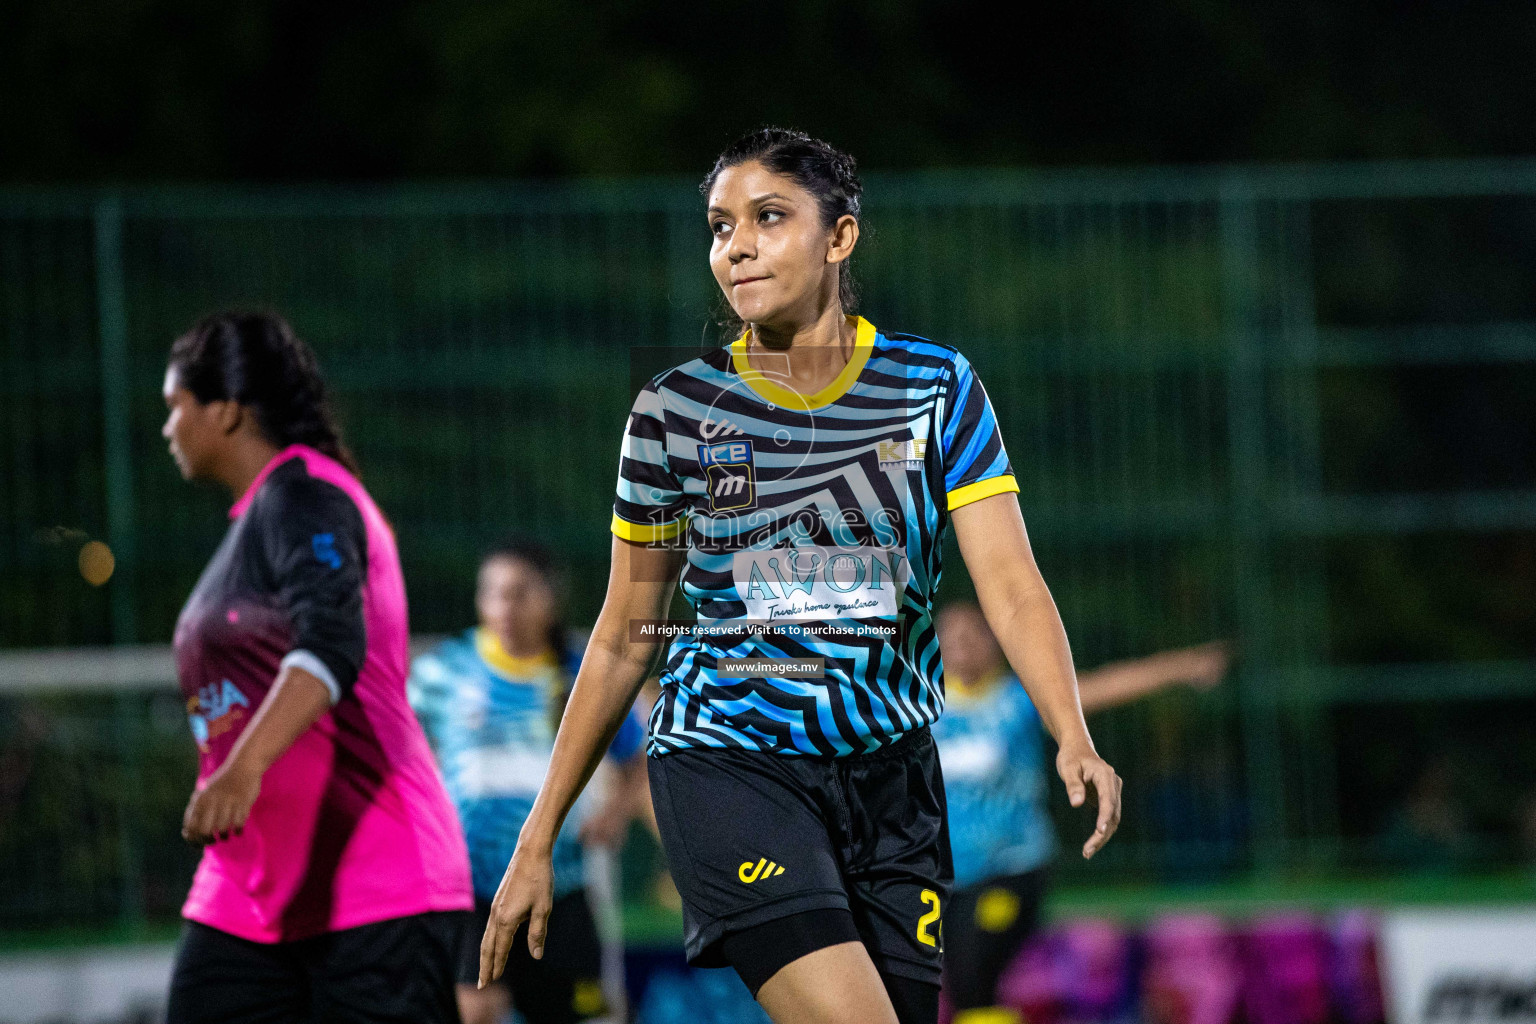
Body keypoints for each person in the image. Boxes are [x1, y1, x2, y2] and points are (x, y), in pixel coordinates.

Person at [478, 127, 1123, 1024]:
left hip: (893, 783)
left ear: (840, 236)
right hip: (729, 764)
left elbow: (1011, 581)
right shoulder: (674, 411)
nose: (735, 245)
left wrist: (1071, 731)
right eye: (719, 226)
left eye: (768, 217)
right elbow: (628, 629)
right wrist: (536, 837)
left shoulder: (934, 387)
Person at [160, 311, 472, 1023]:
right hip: (245, 892)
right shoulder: (257, 518)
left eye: (176, 408)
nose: (168, 428)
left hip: (372, 878)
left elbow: (332, 641)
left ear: (228, 411)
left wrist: (242, 765)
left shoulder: (307, 494)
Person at [932, 600, 1229, 1022]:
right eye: (949, 634)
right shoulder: (920, 709)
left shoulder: (1019, 700)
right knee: (965, 990)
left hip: (1012, 868)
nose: (959, 643)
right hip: (948, 876)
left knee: (977, 970)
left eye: (971, 633)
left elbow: (1103, 686)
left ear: (995, 642)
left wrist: (1180, 667)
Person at [409, 540, 650, 1024]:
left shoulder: (581, 675)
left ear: (550, 599)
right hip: (469, 884)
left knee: (574, 1013)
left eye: (518, 593)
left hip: (560, 885)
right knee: (475, 1009)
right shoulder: (443, 671)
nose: (504, 607)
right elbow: (398, 752)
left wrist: (615, 813)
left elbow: (637, 755)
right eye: (493, 593)